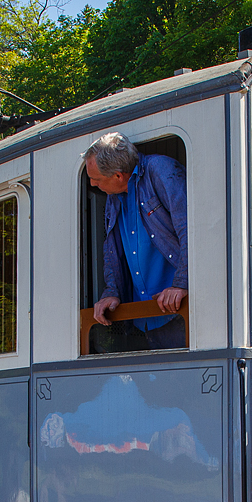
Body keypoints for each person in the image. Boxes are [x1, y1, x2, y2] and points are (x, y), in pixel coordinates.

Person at [85, 132, 189, 349]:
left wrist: (182, 283)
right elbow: (112, 250)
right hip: (143, 321)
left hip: (179, 312)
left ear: (117, 176)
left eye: (96, 178)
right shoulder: (113, 200)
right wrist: (111, 292)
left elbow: (191, 228)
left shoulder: (160, 171)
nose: (93, 184)